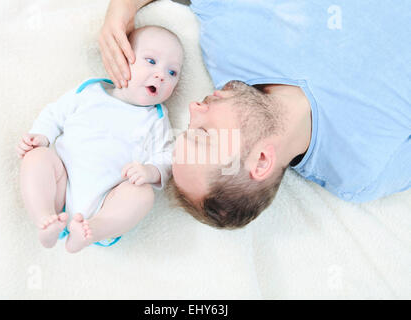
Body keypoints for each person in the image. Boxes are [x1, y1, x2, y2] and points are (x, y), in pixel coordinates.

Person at [100, 0, 411, 229]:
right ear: (261, 160)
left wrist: (120, 11)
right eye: (203, 134)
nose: (194, 108)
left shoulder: (229, 46)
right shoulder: (361, 171)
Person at [18, 25, 183, 252]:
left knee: (142, 194)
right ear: (122, 59)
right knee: (36, 157)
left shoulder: (156, 118)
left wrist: (150, 171)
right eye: (151, 61)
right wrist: (41, 136)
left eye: (172, 72)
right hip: (62, 187)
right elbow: (54, 115)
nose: (161, 75)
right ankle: (45, 219)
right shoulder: (90, 92)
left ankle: (92, 230)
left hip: (107, 200)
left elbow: (166, 156)